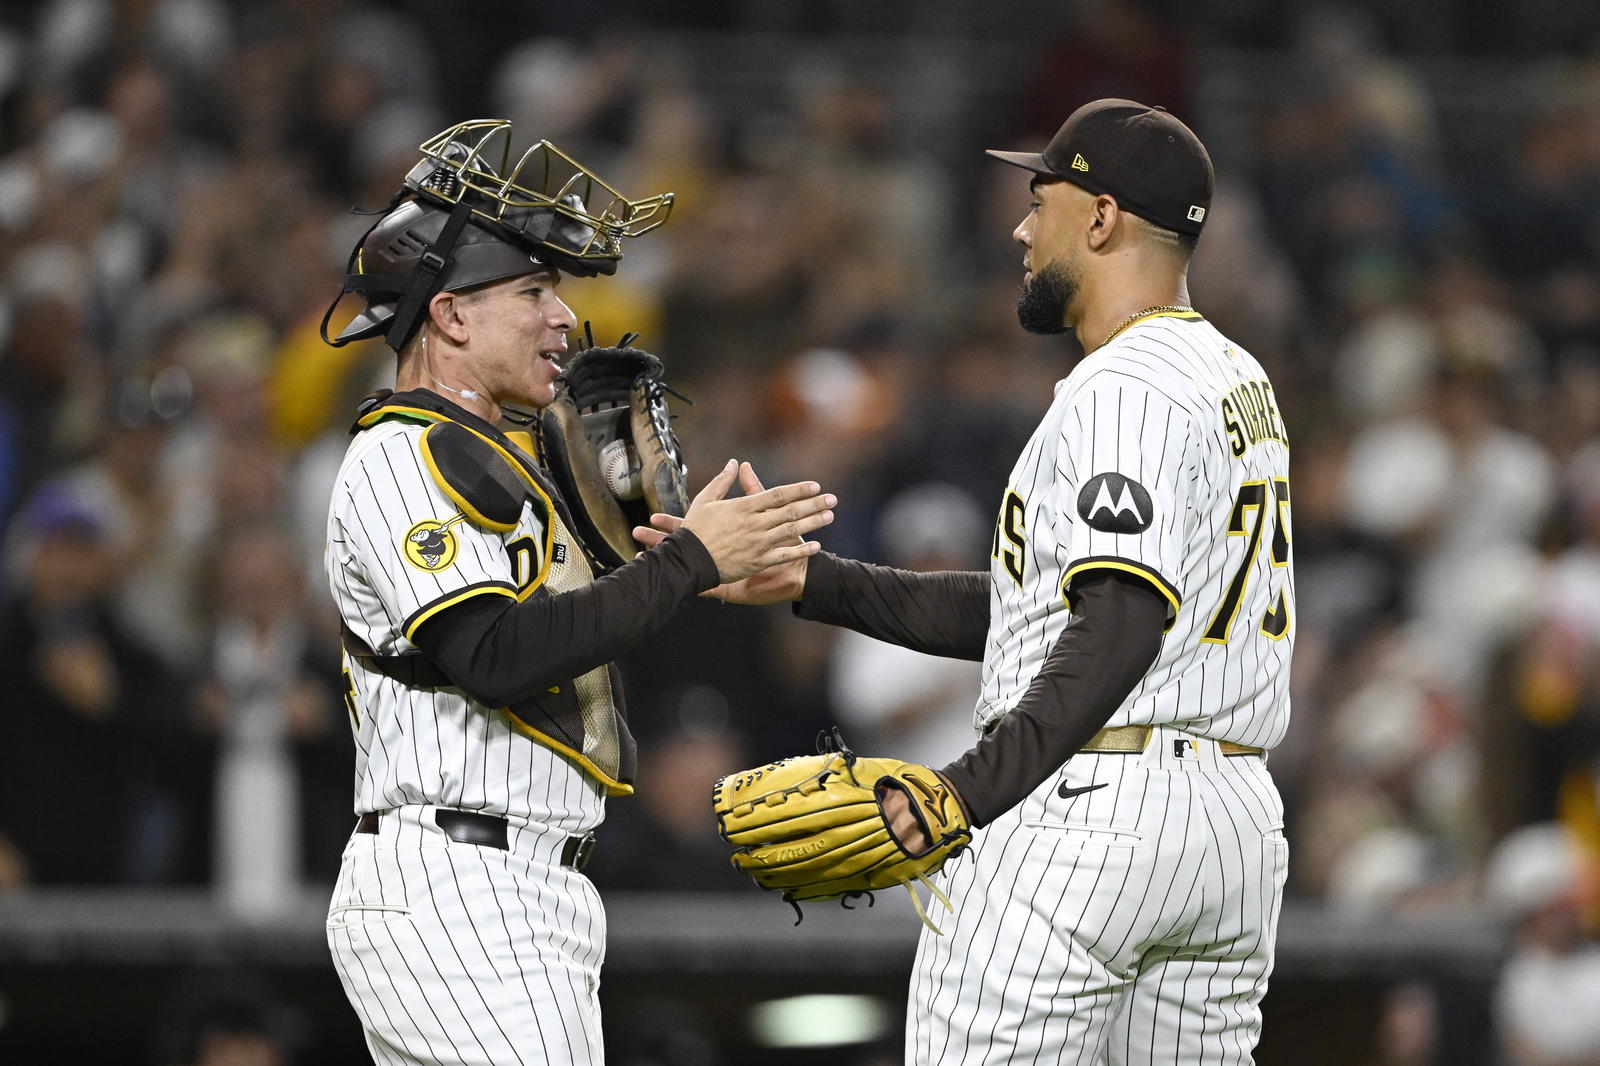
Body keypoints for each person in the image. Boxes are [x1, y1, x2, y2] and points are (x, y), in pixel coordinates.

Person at [641, 98, 1293, 1062]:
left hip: (1092, 812)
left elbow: (1117, 622)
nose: (1022, 229)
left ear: (1101, 218)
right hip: (1228, 828)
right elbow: (1047, 610)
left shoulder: (1124, 389)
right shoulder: (1234, 377)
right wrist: (819, 582)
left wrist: (963, 792)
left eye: (1041, 201)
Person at [317, 119, 834, 1065]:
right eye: (532, 291)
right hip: (459, 883)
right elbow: (492, 655)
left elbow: (571, 632)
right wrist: (688, 563)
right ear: (451, 315)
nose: (562, 318)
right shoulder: (399, 456)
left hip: (516, 887)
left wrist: (700, 573)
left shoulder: (497, 463)